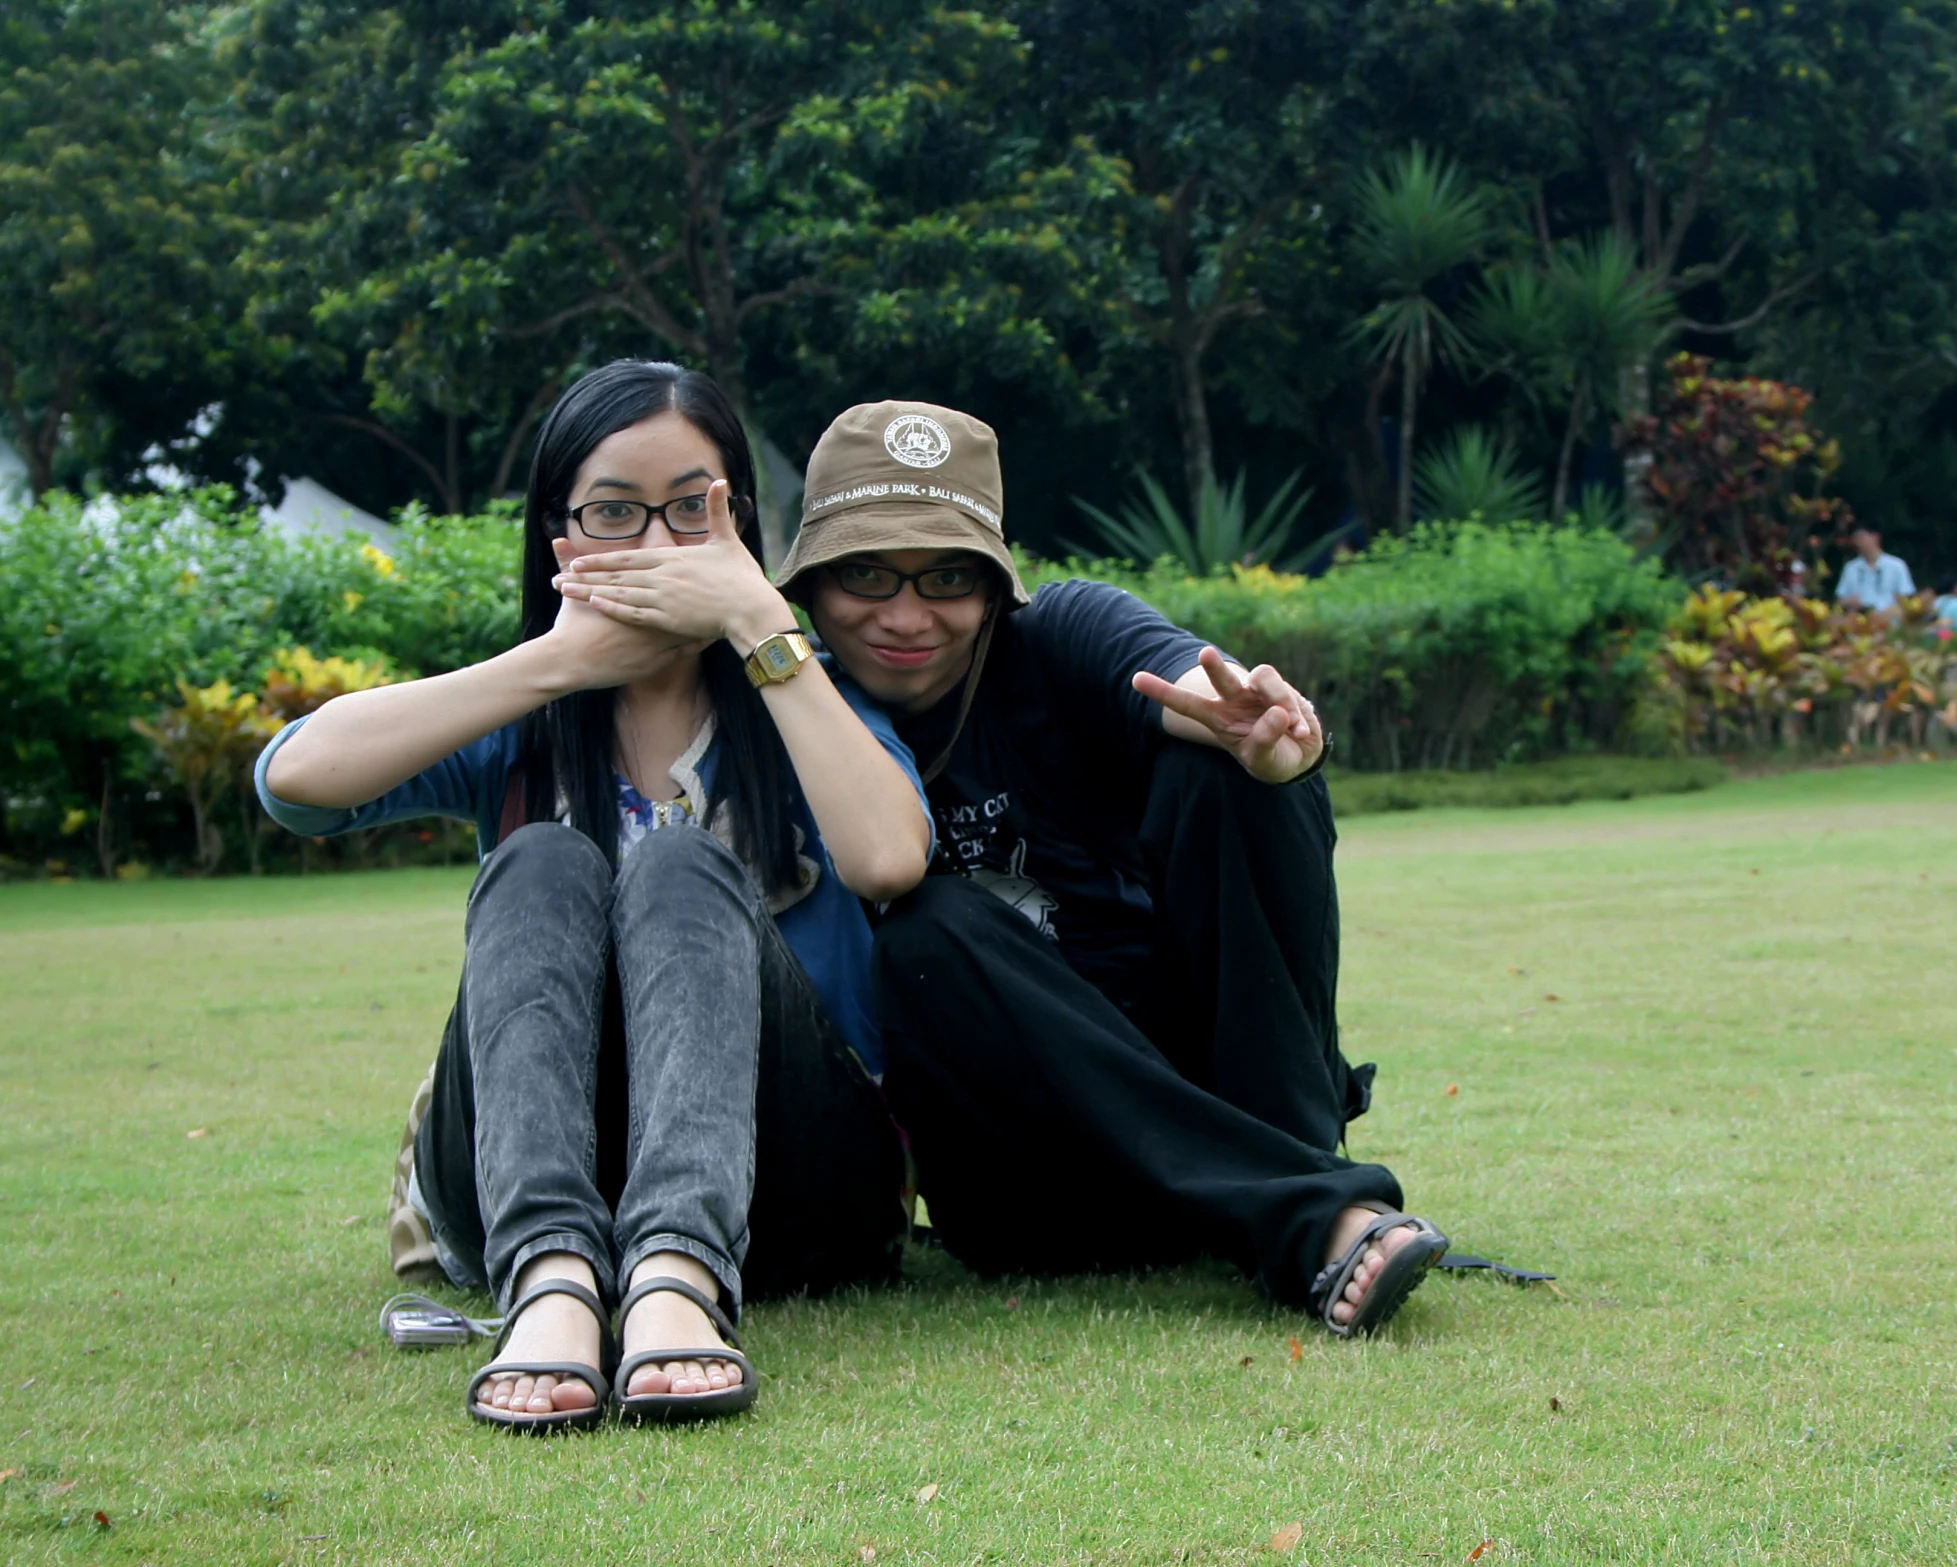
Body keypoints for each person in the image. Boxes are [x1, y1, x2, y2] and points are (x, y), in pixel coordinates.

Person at [570, 400, 1448, 1340]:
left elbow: (1187, 680)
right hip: (1031, 1181)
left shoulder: (1060, 633)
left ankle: (1296, 1175)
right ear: (808, 585)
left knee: (1228, 766)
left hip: (1212, 1081)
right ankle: (1313, 1210)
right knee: (927, 927)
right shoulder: (782, 701)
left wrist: (1273, 741)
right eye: (864, 575)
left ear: (995, 585)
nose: (906, 616)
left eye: (947, 577)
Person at [257, 362, 931, 1431]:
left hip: (794, 1188)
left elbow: (891, 857)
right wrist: (550, 665)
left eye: (692, 510)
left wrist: (760, 622)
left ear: (741, 525)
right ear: (561, 534)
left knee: (672, 859)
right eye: (616, 512)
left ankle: (675, 1276)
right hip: (530, 1176)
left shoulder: (802, 702)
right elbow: (294, 780)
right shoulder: (527, 722)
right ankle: (554, 1280)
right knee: (542, 859)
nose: (658, 544)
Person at [1833, 526, 1915, 615]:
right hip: (1859, 617)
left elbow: (1906, 596)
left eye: (1861, 537)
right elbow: (1840, 599)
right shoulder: (1851, 567)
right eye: (1855, 539)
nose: (1858, 543)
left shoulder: (1897, 565)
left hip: (1889, 617)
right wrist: (1849, 601)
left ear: (1875, 537)